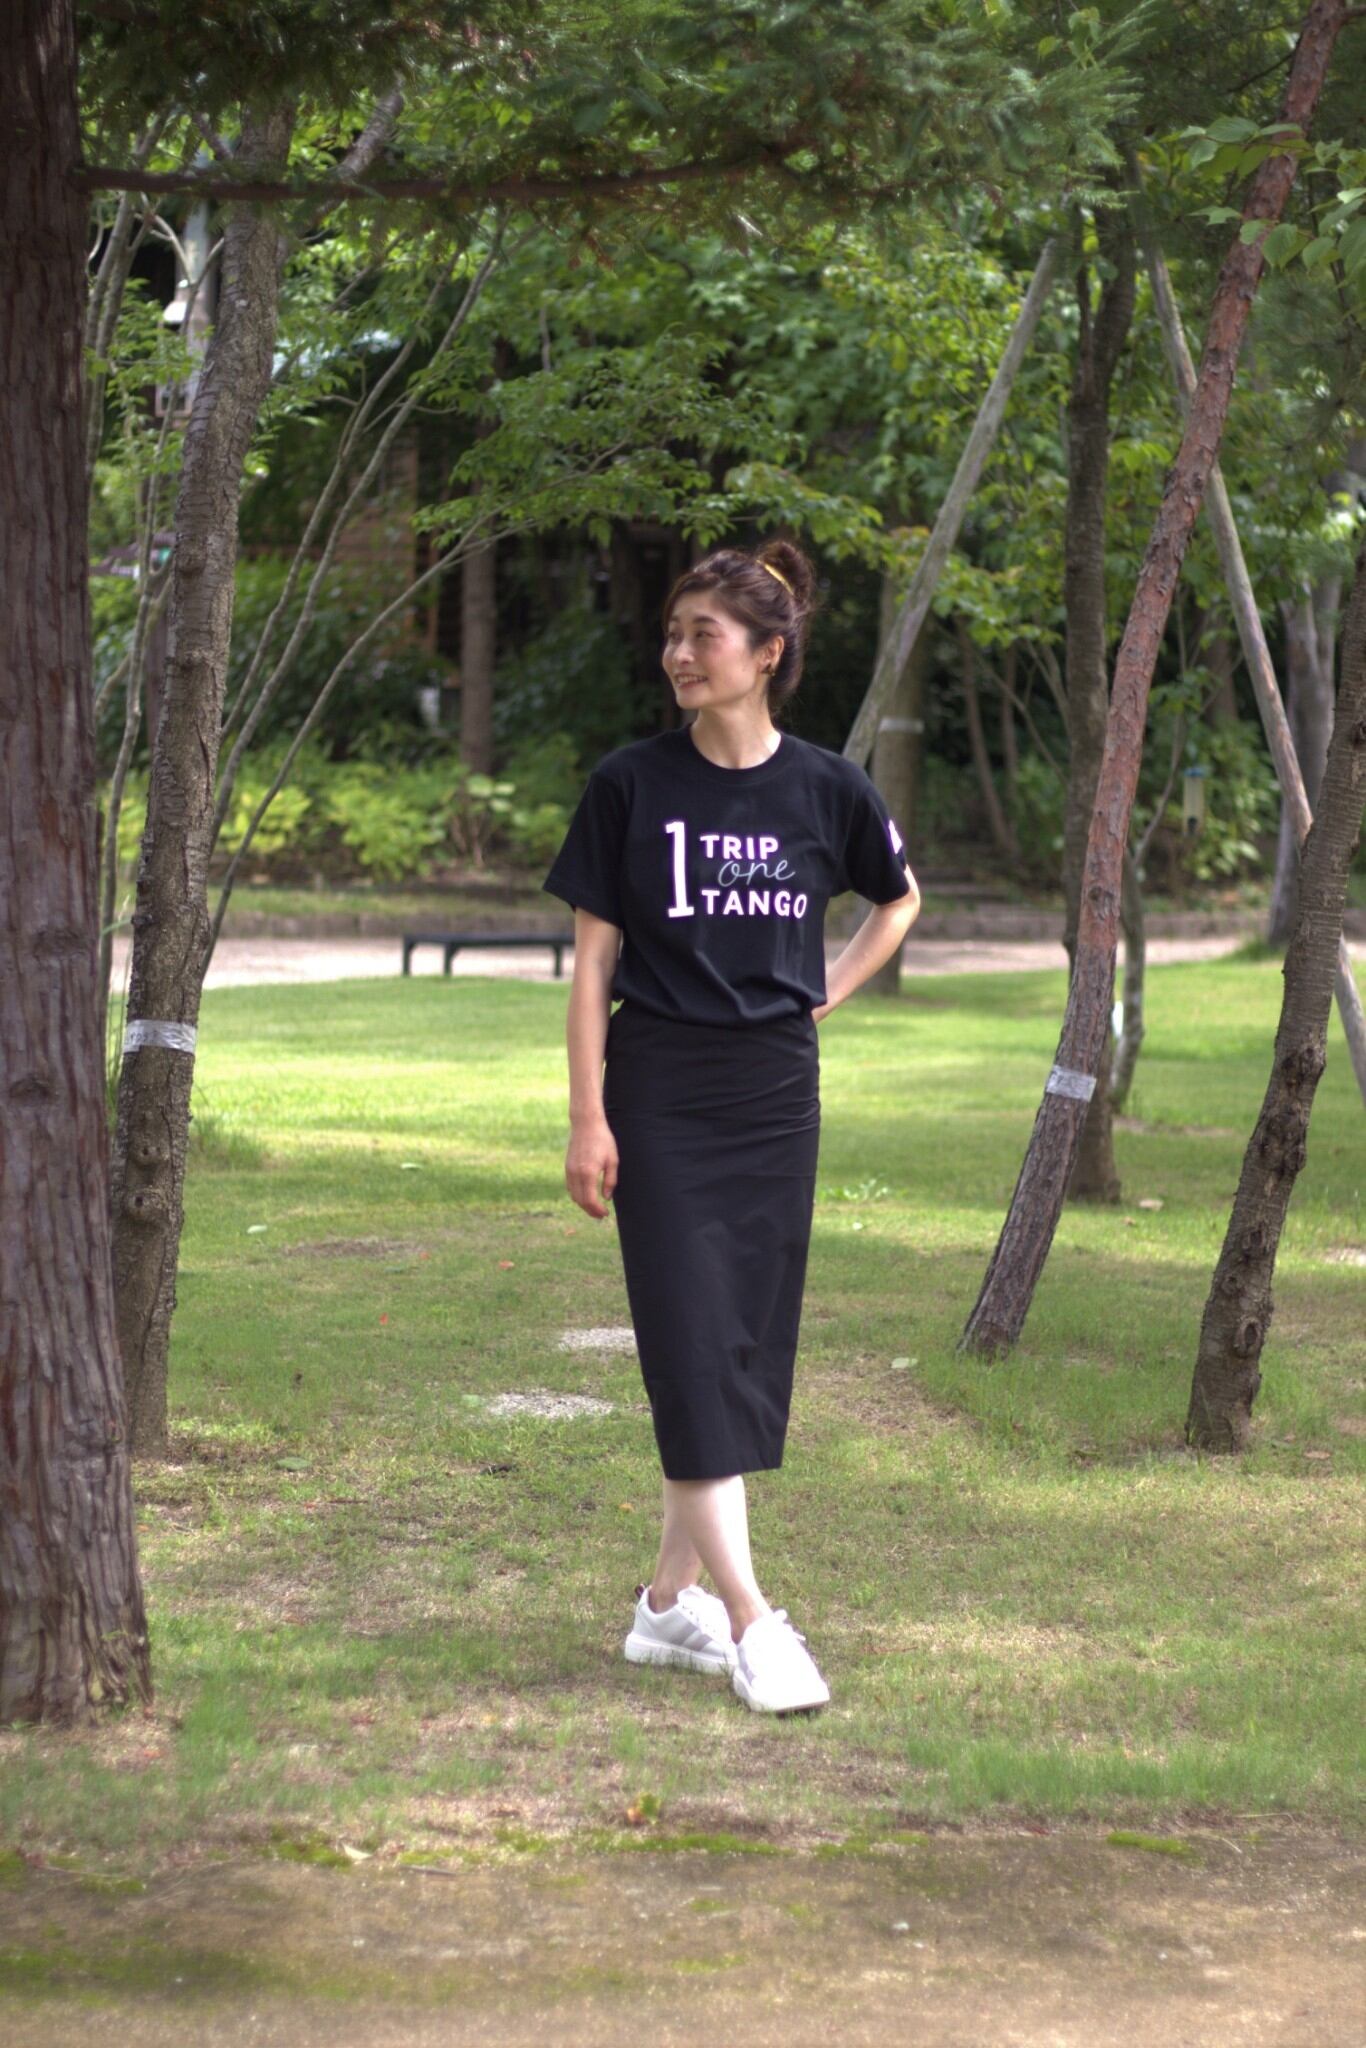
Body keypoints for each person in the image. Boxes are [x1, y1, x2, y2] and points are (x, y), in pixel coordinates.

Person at [541, 540, 921, 1715]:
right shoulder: (630, 784)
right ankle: (753, 1620)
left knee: (733, 1347)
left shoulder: (826, 787)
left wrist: (827, 989)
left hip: (774, 1096)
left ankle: (666, 1606)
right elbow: (591, 965)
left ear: (767, 653)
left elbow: (897, 897)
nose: (677, 653)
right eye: (672, 632)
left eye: (701, 634)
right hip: (660, 1090)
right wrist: (587, 1115)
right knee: (692, 1342)